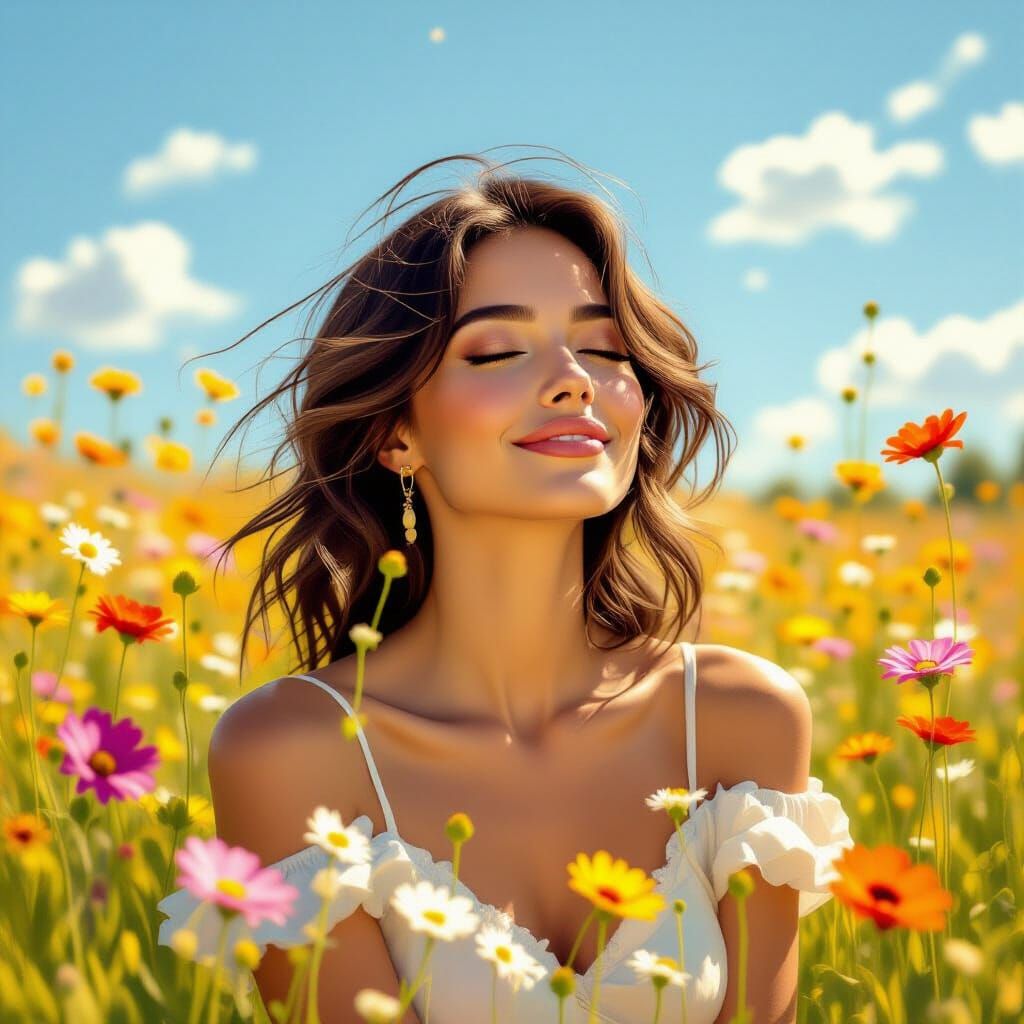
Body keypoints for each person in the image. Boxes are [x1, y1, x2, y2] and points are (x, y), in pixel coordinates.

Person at [157, 148, 854, 1024]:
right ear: (395, 434)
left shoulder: (739, 718)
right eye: (495, 352)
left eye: (604, 346)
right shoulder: (291, 750)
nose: (574, 379)